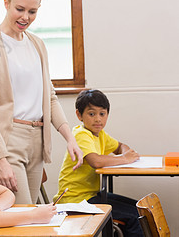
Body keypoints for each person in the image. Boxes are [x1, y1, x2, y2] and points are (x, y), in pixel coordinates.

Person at [0, 0, 83, 204]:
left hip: (38, 141)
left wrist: (69, 137)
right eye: (19, 9)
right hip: (8, 140)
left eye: (32, 11)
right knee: (19, 218)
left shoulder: (37, 44)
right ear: (6, 3)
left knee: (29, 220)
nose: (25, 17)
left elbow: (49, 97)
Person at [54, 89, 143, 236]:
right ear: (79, 115)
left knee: (140, 207)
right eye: (91, 114)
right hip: (77, 200)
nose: (98, 119)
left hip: (91, 195)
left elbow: (120, 146)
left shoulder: (100, 134)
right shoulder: (81, 134)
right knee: (135, 217)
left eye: (102, 114)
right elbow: (95, 161)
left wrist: (126, 153)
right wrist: (125, 158)